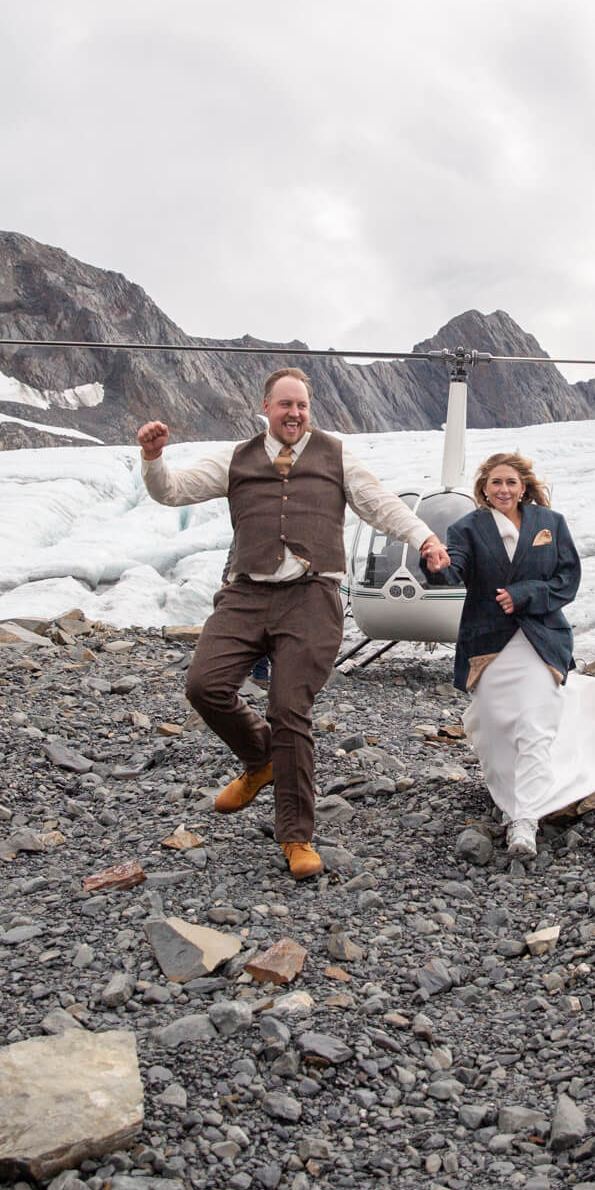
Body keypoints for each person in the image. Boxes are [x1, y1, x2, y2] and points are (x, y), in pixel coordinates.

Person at [139, 367, 449, 880]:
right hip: (245, 593)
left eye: (302, 406)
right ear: (265, 408)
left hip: (311, 597)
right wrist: (153, 459)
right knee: (204, 686)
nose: (294, 414)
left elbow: (381, 507)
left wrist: (425, 540)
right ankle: (260, 760)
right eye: (285, 405)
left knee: (289, 709)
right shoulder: (235, 459)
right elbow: (171, 491)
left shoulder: (337, 456)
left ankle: (296, 836)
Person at [439, 452, 587, 859]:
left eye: (511, 482)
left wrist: (526, 594)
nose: (503, 490)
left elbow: (567, 578)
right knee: (495, 729)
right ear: (483, 488)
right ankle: (510, 804)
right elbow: (454, 571)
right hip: (488, 644)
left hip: (540, 637)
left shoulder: (550, 524)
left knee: (535, 725)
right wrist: (435, 562)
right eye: (495, 482)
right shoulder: (466, 528)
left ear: (523, 487)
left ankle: (526, 819)